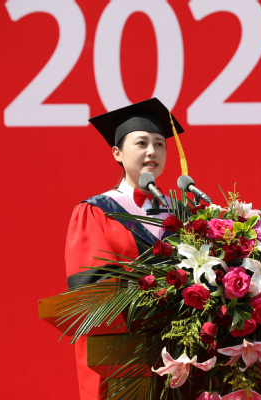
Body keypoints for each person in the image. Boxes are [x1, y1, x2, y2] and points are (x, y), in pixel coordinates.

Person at [64, 98, 184, 400]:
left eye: (159, 144)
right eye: (141, 143)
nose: (152, 151)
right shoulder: (96, 211)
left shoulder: (183, 213)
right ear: (117, 153)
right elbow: (93, 289)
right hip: (123, 359)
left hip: (182, 356)